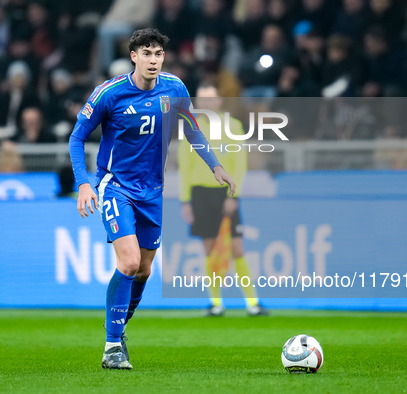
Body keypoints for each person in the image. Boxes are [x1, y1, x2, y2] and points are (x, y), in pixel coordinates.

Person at [68, 28, 236, 370]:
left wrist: (215, 165)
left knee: (144, 271)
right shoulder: (110, 93)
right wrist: (84, 183)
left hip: (152, 192)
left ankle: (118, 329)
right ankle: (112, 346)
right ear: (134, 57)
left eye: (158, 54)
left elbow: (191, 128)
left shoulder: (174, 89)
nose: (153, 60)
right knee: (128, 263)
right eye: (147, 53)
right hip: (116, 186)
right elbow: (77, 137)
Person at [178, 83, 268, 317]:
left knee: (237, 248)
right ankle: (216, 303)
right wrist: (185, 201)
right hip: (200, 193)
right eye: (203, 99)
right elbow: (184, 168)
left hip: (224, 193)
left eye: (211, 98)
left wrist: (233, 194)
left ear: (219, 101)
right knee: (210, 251)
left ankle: (252, 303)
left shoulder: (234, 126)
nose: (207, 103)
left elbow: (240, 164)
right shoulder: (190, 128)